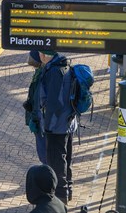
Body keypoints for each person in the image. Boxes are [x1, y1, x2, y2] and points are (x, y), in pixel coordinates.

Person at [35, 50, 76, 205]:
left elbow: (54, 102)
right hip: (68, 123)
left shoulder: (53, 71)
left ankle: (60, 200)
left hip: (56, 126)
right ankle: (68, 192)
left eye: (40, 53)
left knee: (57, 162)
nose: (39, 56)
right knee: (66, 159)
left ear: (44, 55)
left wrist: (47, 125)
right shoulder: (65, 65)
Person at [24, 49, 47, 165]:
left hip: (41, 122)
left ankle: (49, 176)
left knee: (44, 154)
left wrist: (34, 119)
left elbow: (37, 101)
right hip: (47, 121)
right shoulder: (43, 72)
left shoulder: (41, 77)